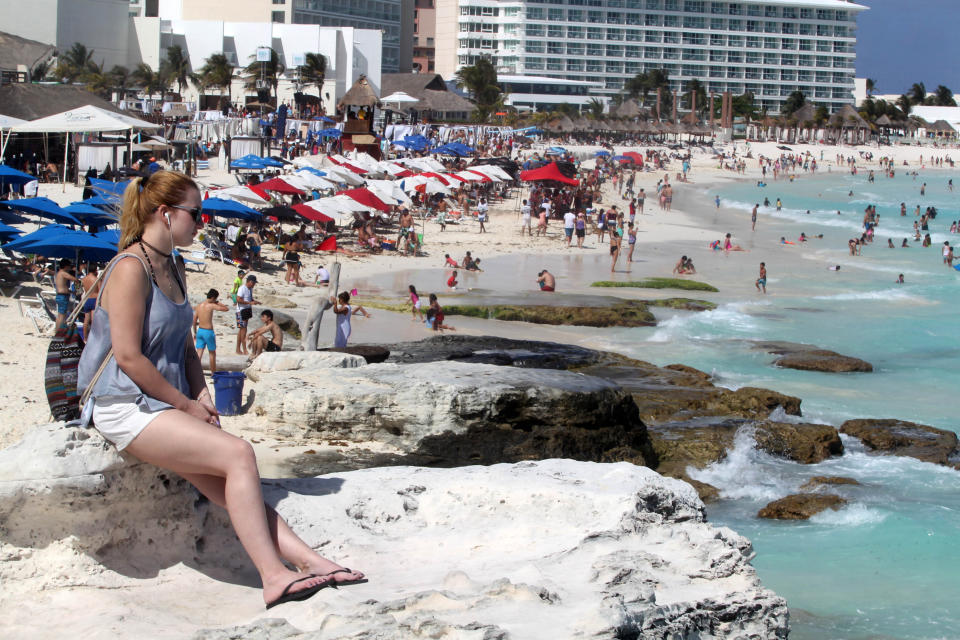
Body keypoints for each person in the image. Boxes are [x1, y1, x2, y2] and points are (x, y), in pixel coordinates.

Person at [76, 170, 363, 610]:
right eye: (196, 213)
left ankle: (310, 561)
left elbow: (186, 347)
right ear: (165, 213)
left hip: (159, 401)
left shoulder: (170, 264)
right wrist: (186, 405)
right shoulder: (131, 268)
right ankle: (273, 576)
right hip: (122, 403)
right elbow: (129, 358)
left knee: (227, 479)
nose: (202, 222)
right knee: (239, 454)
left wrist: (201, 394)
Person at [193, 288, 229, 372]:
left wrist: (195, 332)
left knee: (199, 352)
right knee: (212, 353)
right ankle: (213, 373)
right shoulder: (211, 305)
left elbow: (194, 321)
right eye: (215, 299)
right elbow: (226, 309)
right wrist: (218, 302)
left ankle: (195, 372)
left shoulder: (199, 306)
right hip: (208, 332)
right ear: (213, 298)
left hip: (200, 331)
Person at [235, 274, 259, 355]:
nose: (254, 285)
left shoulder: (250, 289)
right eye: (254, 283)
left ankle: (238, 349)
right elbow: (238, 299)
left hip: (247, 310)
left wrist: (254, 301)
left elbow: (249, 298)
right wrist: (249, 302)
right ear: (250, 282)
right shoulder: (242, 288)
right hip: (241, 311)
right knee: (243, 330)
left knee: (241, 330)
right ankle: (244, 349)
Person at [54, 258, 79, 328]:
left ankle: (58, 331)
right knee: (62, 315)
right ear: (66, 266)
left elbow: (63, 287)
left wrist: (72, 292)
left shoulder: (58, 273)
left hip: (60, 295)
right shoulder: (63, 273)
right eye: (69, 266)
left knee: (60, 315)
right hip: (63, 296)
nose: (70, 268)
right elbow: (75, 279)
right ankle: (59, 332)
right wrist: (79, 290)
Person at [80, 263, 101, 339]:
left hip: (86, 299)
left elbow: (78, 290)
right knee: (93, 321)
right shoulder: (96, 279)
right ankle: (93, 338)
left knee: (86, 321)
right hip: (94, 300)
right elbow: (100, 291)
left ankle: (85, 338)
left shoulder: (83, 279)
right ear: (95, 270)